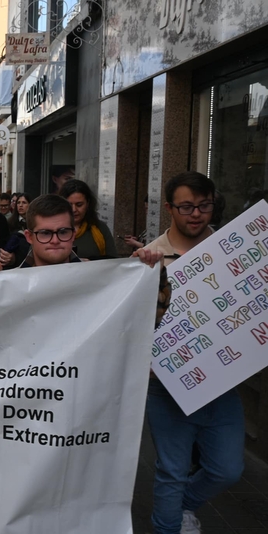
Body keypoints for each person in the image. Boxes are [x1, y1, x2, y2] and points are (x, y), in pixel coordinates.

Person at [143, 171, 242, 534]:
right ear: (169, 208)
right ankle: (168, 524)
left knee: (226, 468)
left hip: (222, 382)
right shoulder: (149, 259)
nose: (196, 214)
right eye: (186, 206)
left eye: (204, 206)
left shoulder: (237, 250)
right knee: (172, 470)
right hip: (166, 384)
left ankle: (184, 505)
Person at [58, 179, 117, 260]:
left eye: (79, 205)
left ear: (88, 204)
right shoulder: (51, 229)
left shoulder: (100, 228)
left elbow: (113, 261)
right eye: (69, 205)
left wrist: (90, 261)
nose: (74, 209)